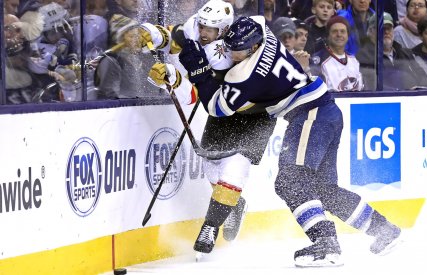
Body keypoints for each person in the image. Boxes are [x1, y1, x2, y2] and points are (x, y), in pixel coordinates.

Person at [172, 15, 403, 267]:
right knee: (323, 190)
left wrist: (197, 68)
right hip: (326, 111)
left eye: (237, 50)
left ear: (252, 48)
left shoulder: (246, 75)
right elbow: (254, 19)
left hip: (309, 114)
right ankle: (384, 230)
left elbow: (217, 107)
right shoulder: (263, 31)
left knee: (290, 180)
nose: (231, 52)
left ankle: (325, 244)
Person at [146, 0, 269, 255]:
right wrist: (155, 34)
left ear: (224, 31)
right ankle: (234, 205)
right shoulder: (204, 31)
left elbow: (194, 95)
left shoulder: (229, 52)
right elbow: (178, 36)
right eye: (202, 26)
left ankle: (209, 228)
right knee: (212, 167)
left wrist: (174, 77)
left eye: (210, 30)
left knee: (234, 170)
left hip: (255, 113)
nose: (203, 32)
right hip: (222, 109)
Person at [356, 12, 427, 90]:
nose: (386, 32)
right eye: (382, 28)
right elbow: (371, 85)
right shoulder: (363, 57)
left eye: (389, 28)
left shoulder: (405, 53)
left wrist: (426, 88)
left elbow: (424, 78)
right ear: (371, 32)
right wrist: (403, 92)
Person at [310, 15, 363, 90]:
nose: (339, 34)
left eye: (342, 31)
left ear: (348, 36)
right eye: (335, 31)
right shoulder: (319, 60)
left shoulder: (354, 60)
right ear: (328, 35)